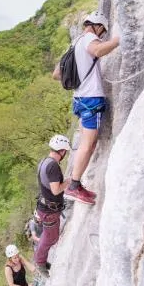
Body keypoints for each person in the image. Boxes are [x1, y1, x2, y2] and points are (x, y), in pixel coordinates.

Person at [53, 11, 119, 205]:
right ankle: (74, 186)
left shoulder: (75, 42)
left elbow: (57, 74)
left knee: (84, 143)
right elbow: (97, 51)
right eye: (103, 32)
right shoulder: (90, 37)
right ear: (98, 26)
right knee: (87, 145)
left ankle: (76, 184)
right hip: (90, 99)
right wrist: (118, 40)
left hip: (79, 98)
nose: (101, 37)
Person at [34, 134, 71, 277]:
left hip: (45, 207)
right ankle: (40, 262)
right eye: (65, 152)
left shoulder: (44, 162)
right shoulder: (53, 166)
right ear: (62, 151)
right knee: (50, 238)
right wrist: (68, 181)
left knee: (49, 236)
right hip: (49, 210)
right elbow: (56, 190)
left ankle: (40, 259)